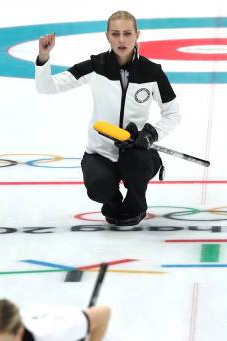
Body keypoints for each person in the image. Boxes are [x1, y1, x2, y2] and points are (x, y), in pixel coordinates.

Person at [35, 10, 181, 226]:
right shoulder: (95, 67)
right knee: (98, 186)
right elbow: (47, 87)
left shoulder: (152, 72)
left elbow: (172, 114)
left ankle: (135, 207)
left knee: (137, 164)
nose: (121, 40)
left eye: (127, 33)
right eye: (115, 34)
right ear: (107, 36)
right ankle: (112, 205)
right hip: (100, 153)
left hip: (136, 151)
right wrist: (44, 58)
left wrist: (150, 135)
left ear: (137, 35)